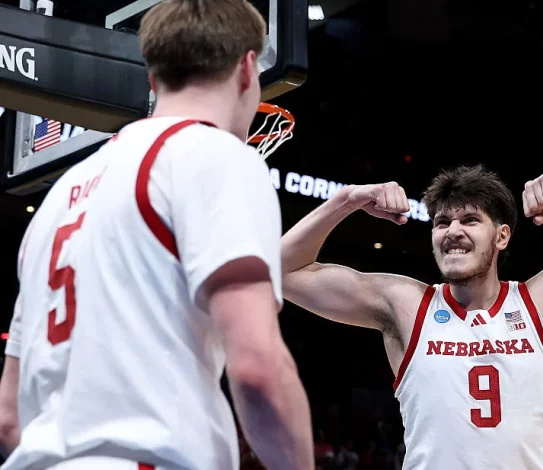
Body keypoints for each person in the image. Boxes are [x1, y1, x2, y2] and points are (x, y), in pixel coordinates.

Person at [0, 1, 313, 469]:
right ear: (249, 68)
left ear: (152, 78)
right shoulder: (215, 155)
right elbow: (257, 368)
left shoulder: (59, 197)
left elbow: (9, 420)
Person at [282, 165, 543, 469]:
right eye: (442, 222)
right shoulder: (405, 304)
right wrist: (346, 201)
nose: (452, 231)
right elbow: (280, 271)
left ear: (501, 236)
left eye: (469, 220)